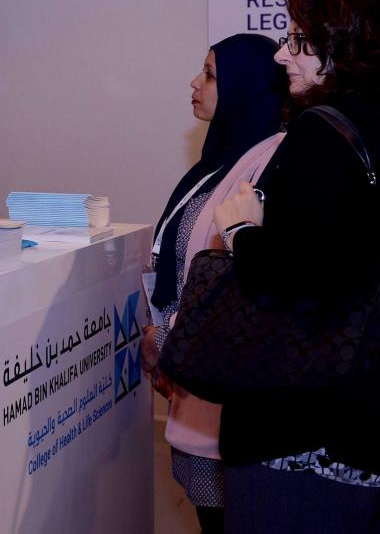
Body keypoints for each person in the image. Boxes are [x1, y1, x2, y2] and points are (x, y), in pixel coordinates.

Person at [212, 0, 380, 533]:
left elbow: (300, 279)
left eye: (298, 40)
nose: (281, 54)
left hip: (315, 443)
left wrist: (240, 232)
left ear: (345, 47)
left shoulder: (323, 132)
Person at [140, 32, 287, 534]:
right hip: (194, 376)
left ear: (245, 87)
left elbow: (232, 281)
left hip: (226, 390)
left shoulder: (268, 163)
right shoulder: (221, 160)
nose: (194, 83)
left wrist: (169, 338)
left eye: (209, 75)